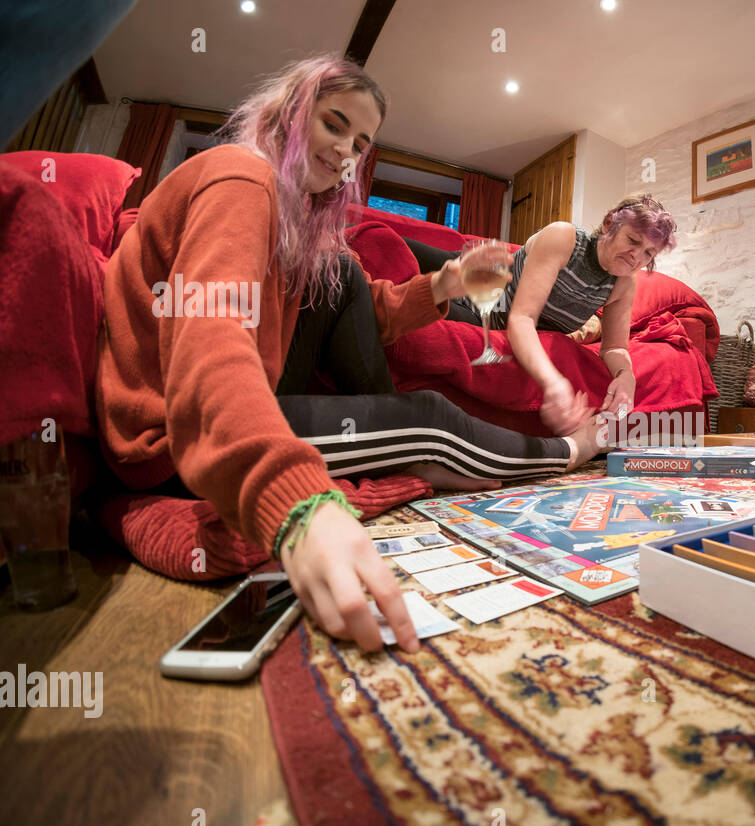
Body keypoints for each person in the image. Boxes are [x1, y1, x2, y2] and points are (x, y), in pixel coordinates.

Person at [94, 54, 603, 652]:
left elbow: (365, 309)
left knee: (338, 267)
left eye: (360, 142)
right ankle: (566, 451)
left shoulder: (293, 214)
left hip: (229, 406)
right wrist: (296, 508)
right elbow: (213, 341)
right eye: (333, 125)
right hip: (178, 438)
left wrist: (446, 282)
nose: (345, 151)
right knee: (430, 418)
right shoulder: (240, 178)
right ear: (288, 113)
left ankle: (389, 442)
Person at [438, 195, 677, 435]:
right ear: (608, 224)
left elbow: (614, 348)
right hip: (473, 300)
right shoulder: (564, 238)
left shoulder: (623, 284)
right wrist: (552, 381)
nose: (636, 257)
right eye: (632, 240)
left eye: (648, 253)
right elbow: (522, 319)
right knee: (406, 260)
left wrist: (627, 376)